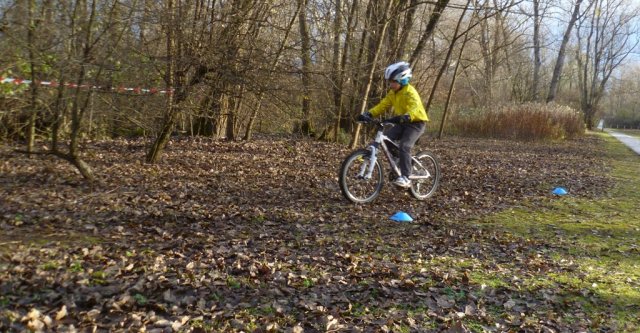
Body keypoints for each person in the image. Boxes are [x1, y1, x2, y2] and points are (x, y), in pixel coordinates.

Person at [357, 61, 429, 188]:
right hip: (402, 122)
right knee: (388, 141)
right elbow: (383, 105)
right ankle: (401, 163)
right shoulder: (393, 93)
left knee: (405, 146)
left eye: (393, 82)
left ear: (402, 80)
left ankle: (406, 177)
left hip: (416, 123)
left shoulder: (410, 92)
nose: (391, 84)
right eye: (390, 82)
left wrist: (408, 116)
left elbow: (415, 106)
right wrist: (369, 114)